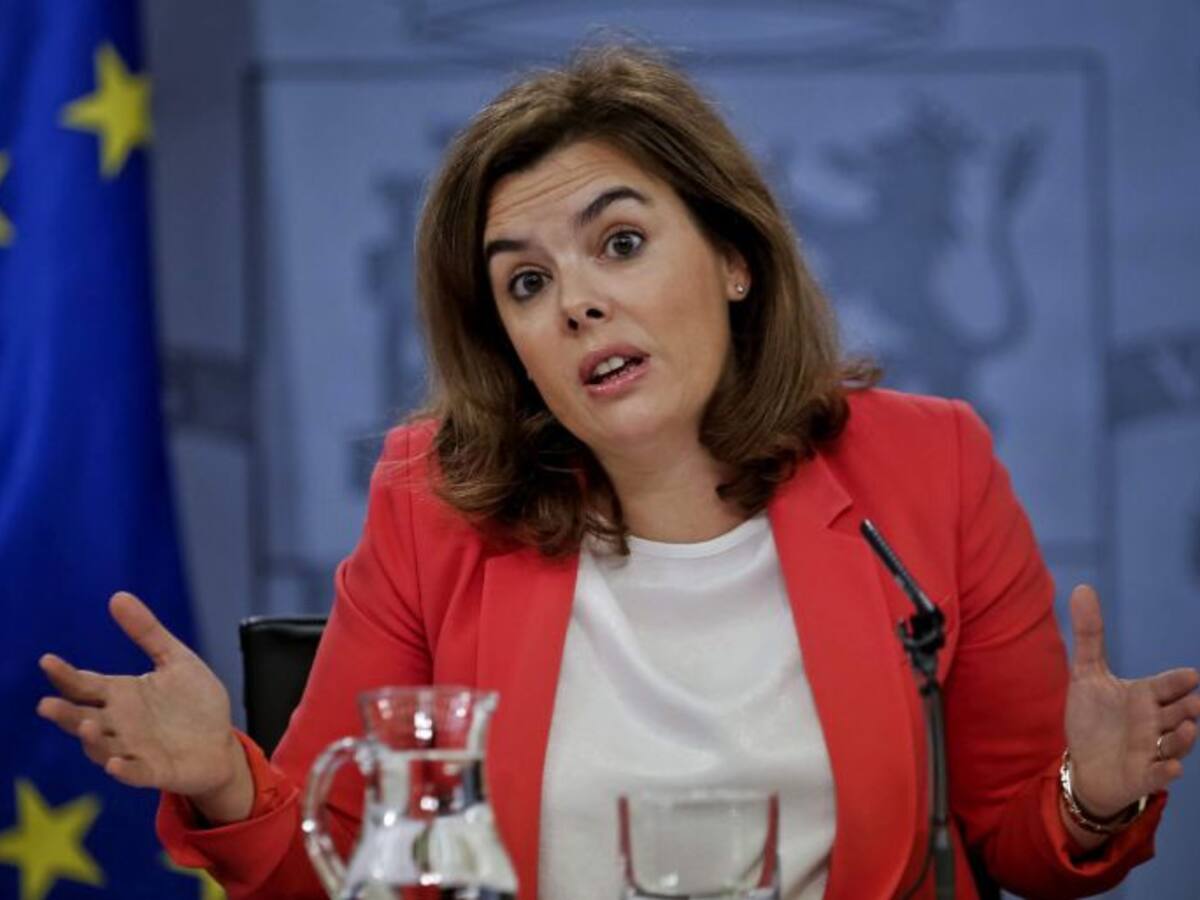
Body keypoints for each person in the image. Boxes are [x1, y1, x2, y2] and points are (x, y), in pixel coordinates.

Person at [37, 44, 1199, 900]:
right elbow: (344, 865)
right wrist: (225, 781)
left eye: (622, 243)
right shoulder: (433, 501)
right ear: (510, 342)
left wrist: (1091, 796)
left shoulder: (924, 466)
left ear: (734, 259)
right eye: (526, 283)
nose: (579, 302)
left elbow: (1013, 841)